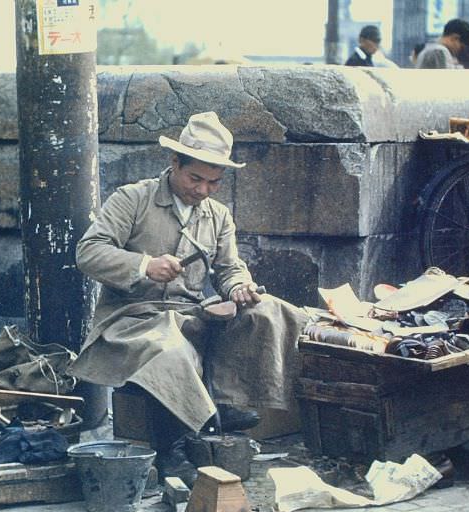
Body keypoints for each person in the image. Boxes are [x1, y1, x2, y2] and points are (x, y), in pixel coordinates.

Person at [71, 112, 308, 448]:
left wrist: (239, 285)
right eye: (195, 178)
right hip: (132, 318)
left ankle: (226, 404)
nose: (203, 190)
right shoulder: (133, 199)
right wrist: (145, 265)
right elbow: (88, 252)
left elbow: (229, 268)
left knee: (271, 311)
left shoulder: (218, 215)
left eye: (214, 182)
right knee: (169, 349)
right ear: (175, 163)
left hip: (190, 313)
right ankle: (178, 445)